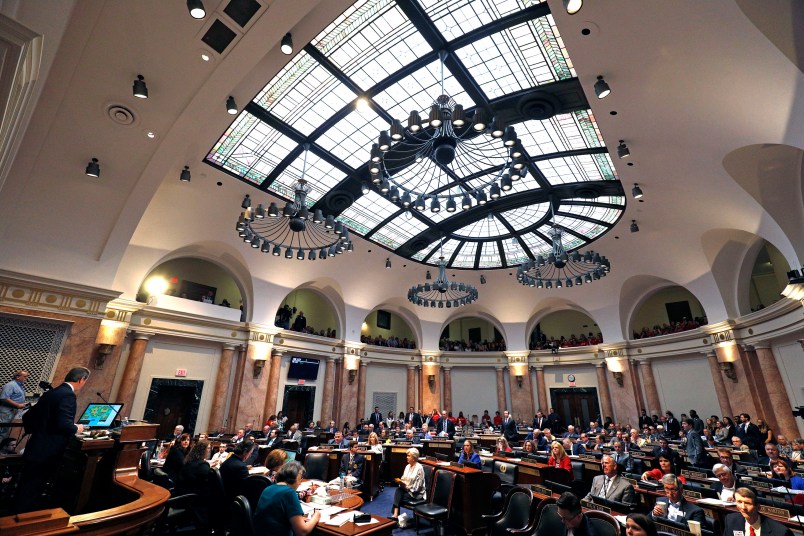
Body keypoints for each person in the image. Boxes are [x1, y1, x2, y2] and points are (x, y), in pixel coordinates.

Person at [14, 366, 89, 513]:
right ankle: (23, 525)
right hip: (48, 451)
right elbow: (63, 425)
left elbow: (28, 416)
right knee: (33, 490)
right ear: (81, 380)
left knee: (26, 488)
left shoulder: (52, 392)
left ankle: (15, 520)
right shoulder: (68, 395)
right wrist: (77, 428)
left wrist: (40, 431)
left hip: (36, 445)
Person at [253, 461, 320, 535]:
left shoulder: (267, 489)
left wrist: (296, 519)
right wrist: (316, 516)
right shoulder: (289, 493)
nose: (300, 482)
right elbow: (302, 532)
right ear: (297, 477)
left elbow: (274, 516)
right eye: (300, 478)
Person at [723, 487, 793, 536]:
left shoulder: (780, 532)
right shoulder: (730, 520)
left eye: (748, 503)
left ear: (758, 507)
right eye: (739, 502)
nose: (743, 507)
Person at [390, 447, 426, 520]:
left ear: (414, 457)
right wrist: (401, 483)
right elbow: (403, 478)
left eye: (408, 456)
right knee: (398, 490)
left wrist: (407, 487)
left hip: (416, 493)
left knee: (398, 495)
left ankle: (395, 514)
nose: (406, 457)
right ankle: (395, 514)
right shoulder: (407, 466)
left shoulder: (419, 468)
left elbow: (418, 487)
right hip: (406, 490)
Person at [0, 370, 28, 442]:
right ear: (17, 377)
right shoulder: (11, 385)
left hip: (11, 411)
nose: (26, 378)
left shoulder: (19, 386)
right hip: (6, 412)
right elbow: (3, 398)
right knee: (1, 431)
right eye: (25, 376)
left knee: (4, 432)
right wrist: (18, 405)